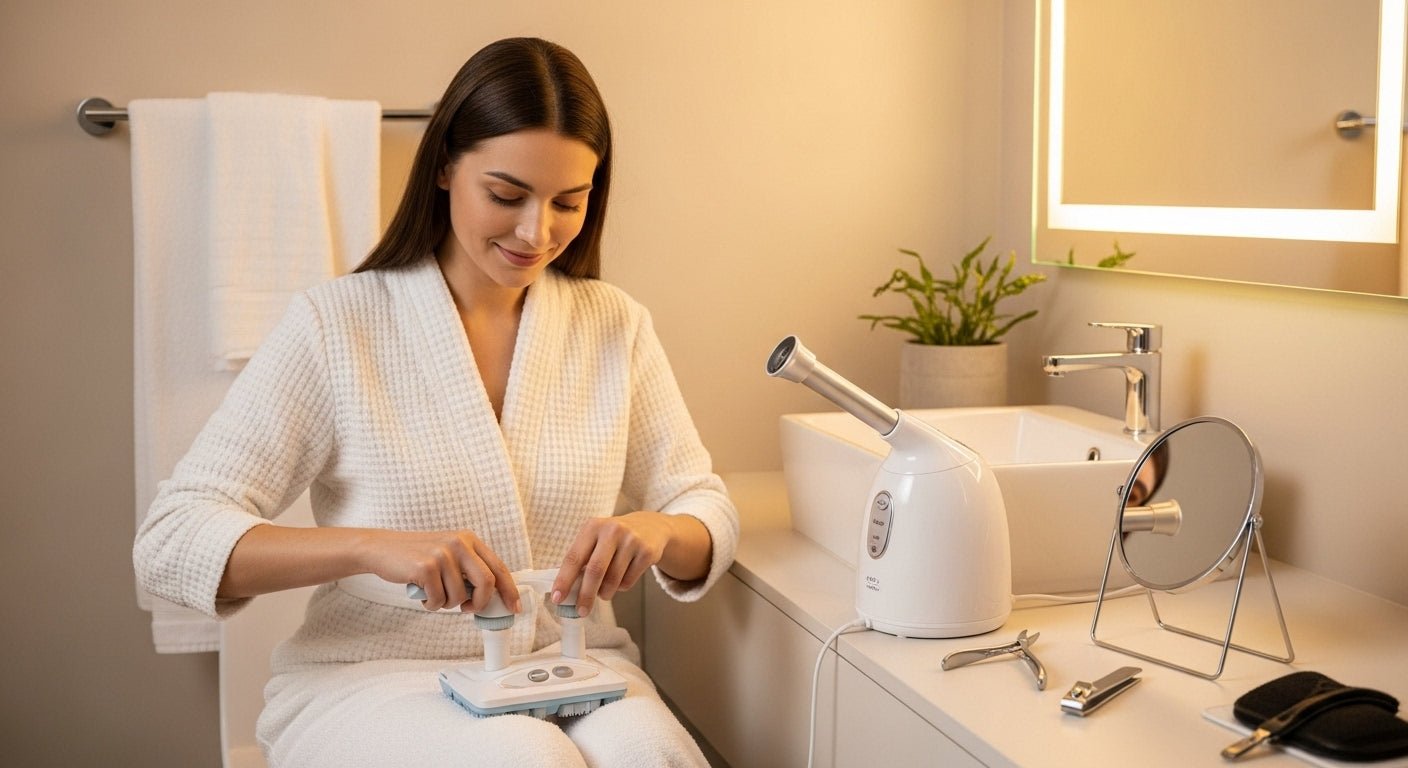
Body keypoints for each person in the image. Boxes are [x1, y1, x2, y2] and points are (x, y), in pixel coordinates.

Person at [134, 37, 738, 767]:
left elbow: (702, 504)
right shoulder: (338, 325)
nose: (535, 232)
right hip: (372, 679)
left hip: (573, 663)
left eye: (568, 202)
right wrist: (370, 547)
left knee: (653, 756)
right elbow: (170, 541)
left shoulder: (614, 324)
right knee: (522, 758)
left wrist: (657, 530)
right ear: (447, 165)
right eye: (507, 195)